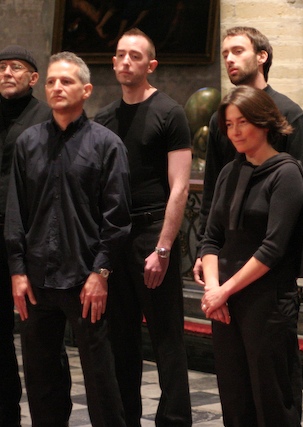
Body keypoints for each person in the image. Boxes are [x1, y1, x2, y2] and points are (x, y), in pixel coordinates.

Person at [6, 51, 130, 427]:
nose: (57, 87)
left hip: (85, 278)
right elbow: (17, 211)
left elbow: (117, 219)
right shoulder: (28, 143)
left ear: (86, 90)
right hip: (36, 278)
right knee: (41, 380)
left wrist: (101, 272)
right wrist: (17, 270)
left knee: (101, 380)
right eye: (51, 82)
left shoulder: (107, 144)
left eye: (66, 81)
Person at [94, 28, 193, 427]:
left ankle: (174, 421)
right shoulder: (103, 118)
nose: (125, 62)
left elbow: (180, 186)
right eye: (120, 55)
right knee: (121, 340)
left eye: (135, 56)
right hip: (117, 236)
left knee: (168, 340)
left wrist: (164, 247)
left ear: (151, 65)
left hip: (153, 234)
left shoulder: (170, 112)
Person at [199, 85, 303, 426]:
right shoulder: (229, 172)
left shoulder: (286, 173)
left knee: (272, 399)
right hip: (225, 301)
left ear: (263, 122)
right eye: (229, 125)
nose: (234, 132)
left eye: (242, 122)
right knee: (235, 399)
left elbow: (273, 248)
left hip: (267, 300)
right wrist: (213, 291)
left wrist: (223, 291)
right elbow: (211, 239)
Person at [193, 26, 303, 284]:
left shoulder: (289, 113)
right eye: (225, 53)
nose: (229, 59)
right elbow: (212, 187)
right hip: (227, 249)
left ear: (261, 56)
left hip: (273, 256)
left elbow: (299, 190)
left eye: (238, 51)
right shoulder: (219, 118)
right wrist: (204, 247)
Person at [0, 44, 50, 426]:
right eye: (1, 67)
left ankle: (49, 417)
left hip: (30, 240)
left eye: (15, 67)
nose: (6, 73)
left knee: (40, 336)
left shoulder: (45, 118)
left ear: (33, 78)